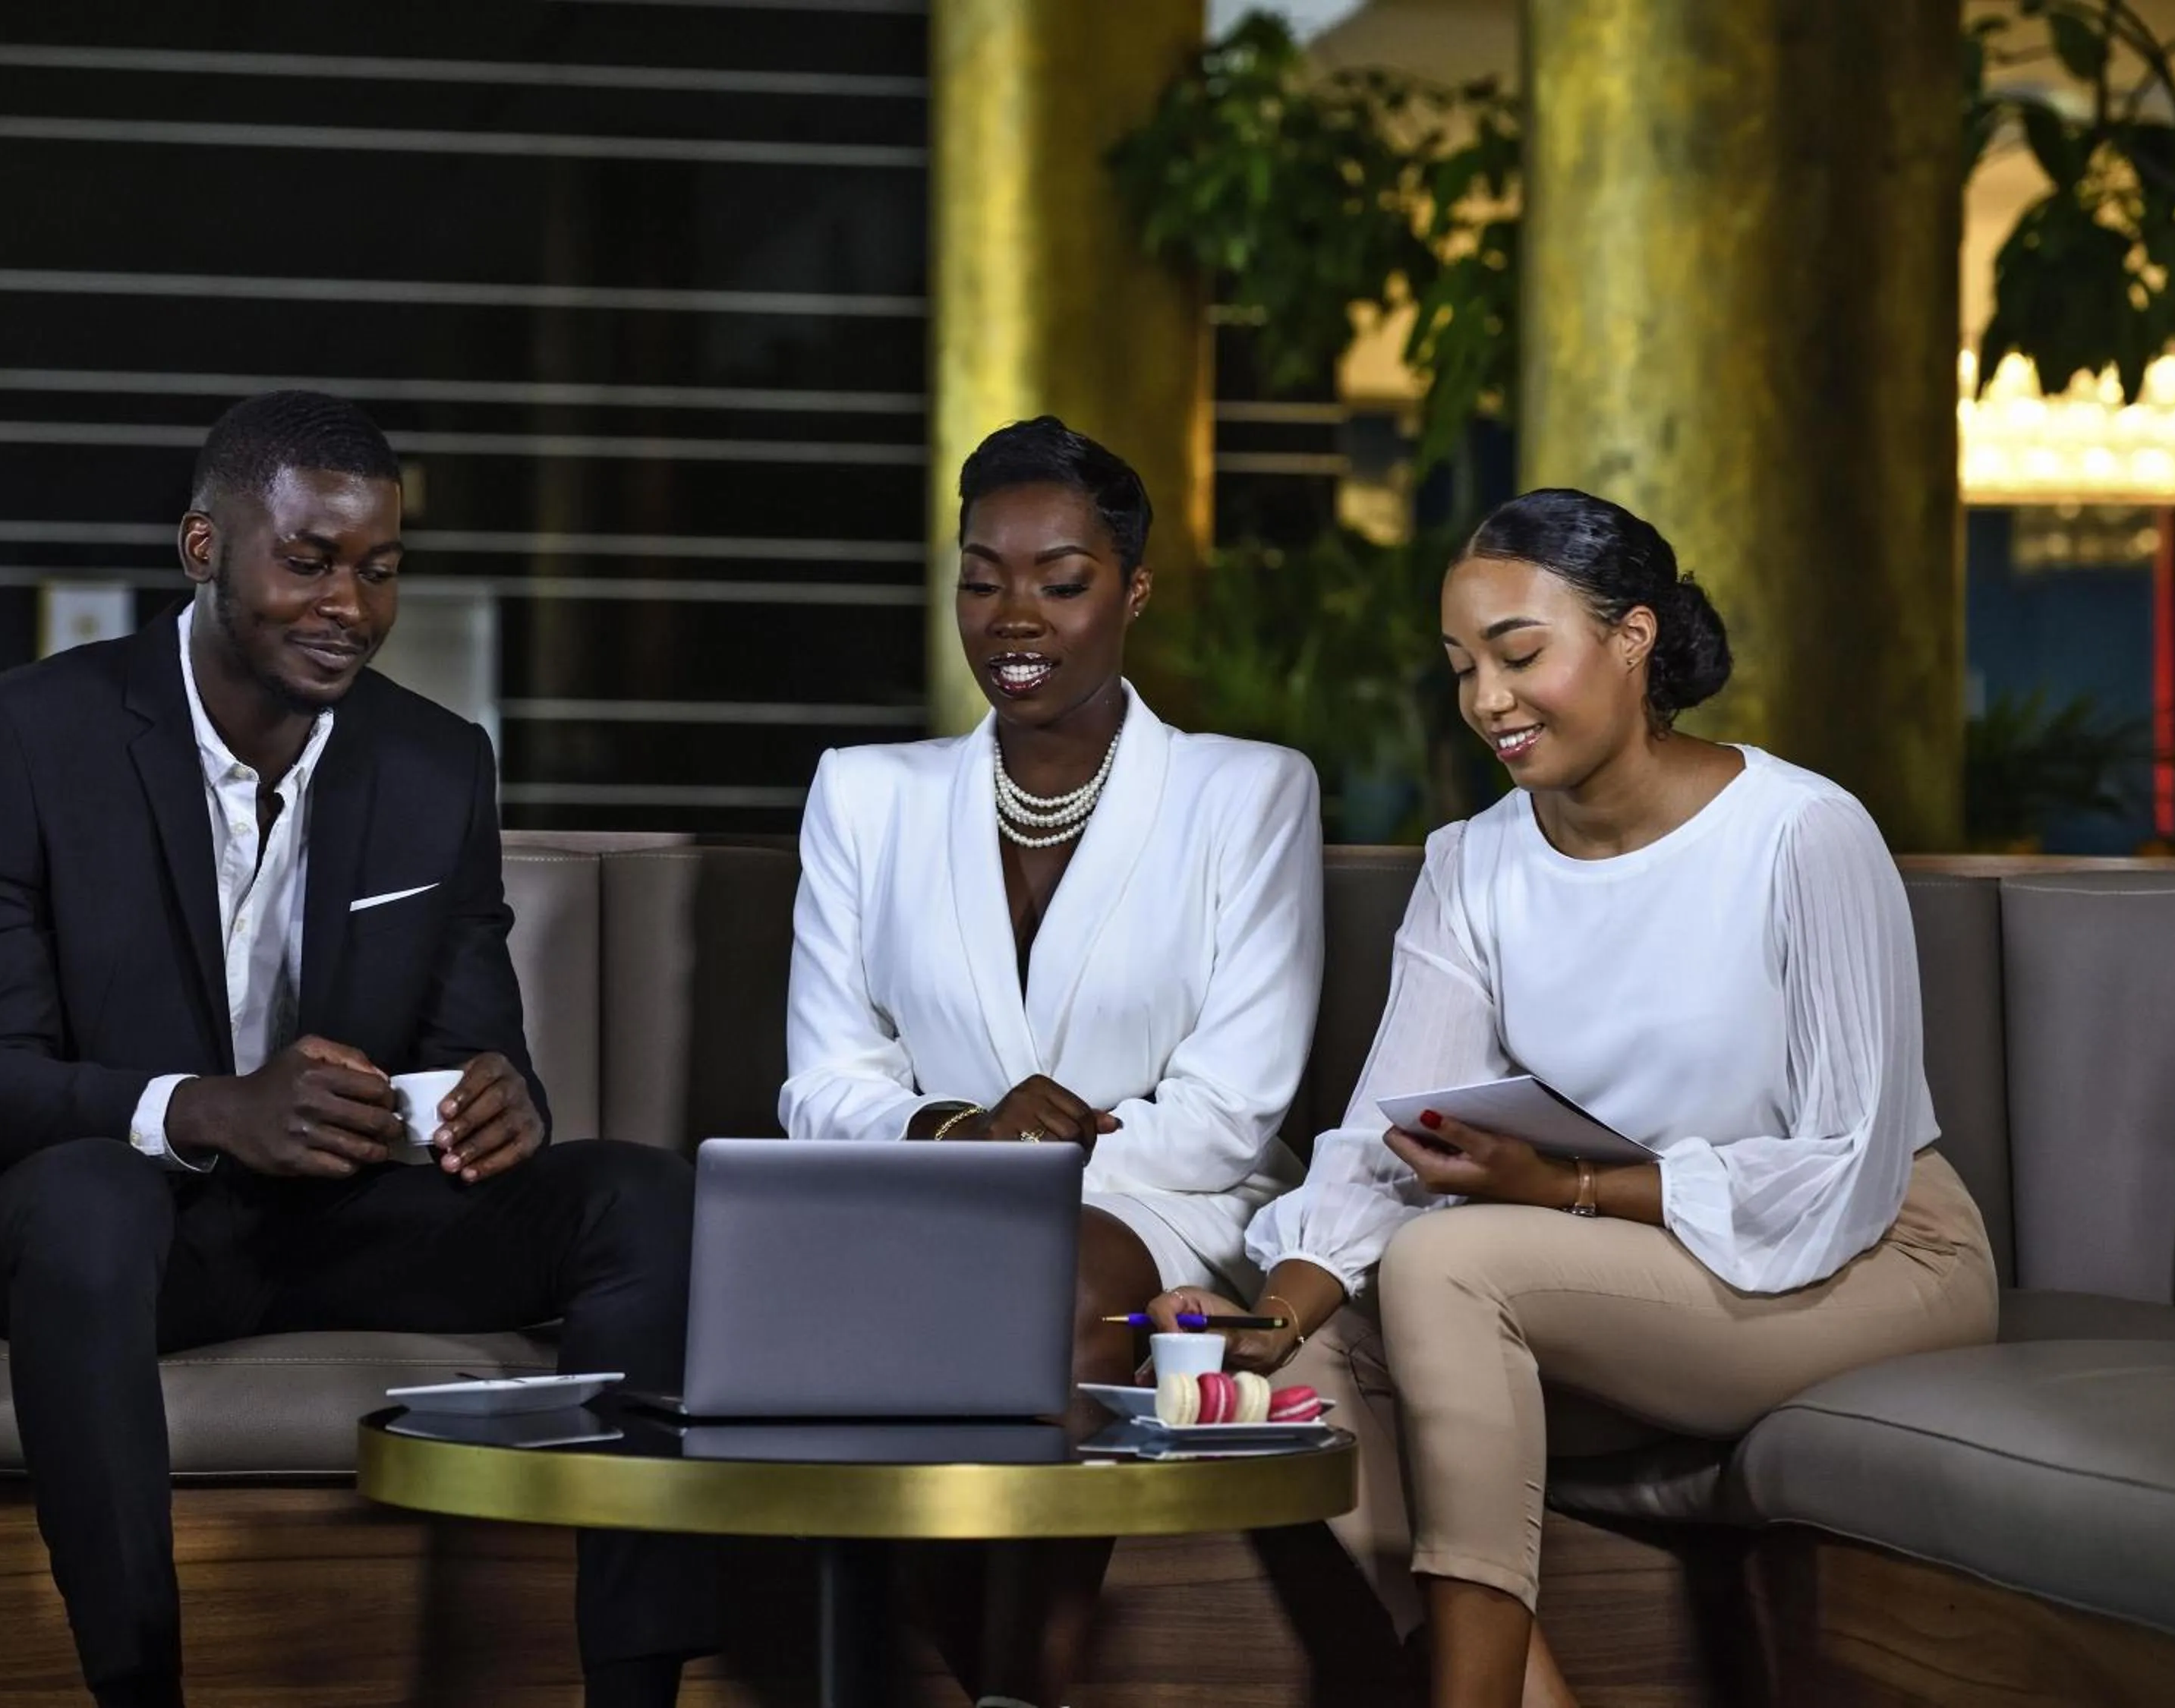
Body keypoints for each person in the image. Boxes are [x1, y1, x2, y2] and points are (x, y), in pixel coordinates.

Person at [0, 392, 714, 1708]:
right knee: (90, 1198)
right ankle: (140, 1684)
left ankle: (634, 1692)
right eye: (309, 560)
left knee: (643, 1197)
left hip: (333, 1225)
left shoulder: (435, 764)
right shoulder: (23, 736)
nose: (351, 601)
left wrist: (499, 1099)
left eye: (381, 567)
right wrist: (208, 1109)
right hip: (108, 1238)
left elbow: (475, 1043)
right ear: (203, 548)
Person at [1149, 488, 1999, 1708]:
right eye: (1461, 667)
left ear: (1633, 638)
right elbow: (1393, 1135)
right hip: (1621, 1269)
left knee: (1451, 1264)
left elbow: (1845, 1162)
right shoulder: (1474, 862)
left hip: (1873, 1257)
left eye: (1519, 653)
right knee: (1287, 1361)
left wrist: (1570, 1188)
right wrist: (1273, 1310)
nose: (1487, 699)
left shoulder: (1802, 832)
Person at [779, 415, 1324, 1705]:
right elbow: (820, 1085)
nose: (1011, 614)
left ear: (1130, 590)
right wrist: (966, 1132)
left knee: (1055, 1276)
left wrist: (1050, 1161)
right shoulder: (865, 794)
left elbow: (1232, 1109)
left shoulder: (1246, 793)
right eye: (981, 577)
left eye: (1059, 580)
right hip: (928, 1191)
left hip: (1170, 1201)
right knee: (895, 1287)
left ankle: (1020, 1680)